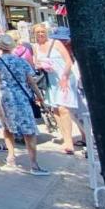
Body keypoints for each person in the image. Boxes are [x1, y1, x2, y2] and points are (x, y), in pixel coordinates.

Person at [0, 35, 49, 175]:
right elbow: (31, 81)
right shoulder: (21, 62)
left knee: (7, 127)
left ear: (0, 47)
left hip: (5, 97)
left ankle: (11, 157)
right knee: (28, 129)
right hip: (22, 97)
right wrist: (41, 98)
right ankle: (34, 164)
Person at [31, 23, 79, 155]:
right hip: (50, 81)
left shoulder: (56, 43)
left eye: (43, 31)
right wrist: (41, 65)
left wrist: (64, 76)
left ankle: (69, 142)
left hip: (65, 78)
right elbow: (36, 63)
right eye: (38, 32)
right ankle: (65, 137)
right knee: (56, 110)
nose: (41, 34)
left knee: (64, 109)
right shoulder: (35, 47)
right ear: (34, 34)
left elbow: (68, 61)